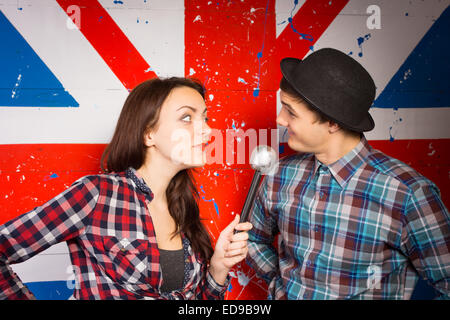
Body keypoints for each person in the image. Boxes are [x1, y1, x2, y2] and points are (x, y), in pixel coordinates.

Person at [0, 77, 252, 300]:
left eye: (205, 118)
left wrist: (218, 267)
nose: (207, 130)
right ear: (148, 134)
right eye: (187, 117)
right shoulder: (96, 195)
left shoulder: (184, 208)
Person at [246, 48, 449, 299]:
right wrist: (284, 284)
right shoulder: (280, 175)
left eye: (291, 111)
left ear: (333, 122)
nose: (279, 119)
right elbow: (251, 239)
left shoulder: (408, 194)